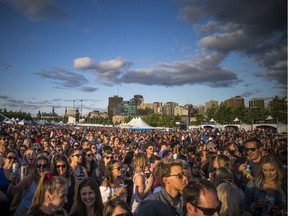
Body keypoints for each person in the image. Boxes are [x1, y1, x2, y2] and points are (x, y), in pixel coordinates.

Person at [0, 149, 19, 216]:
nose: (12, 160)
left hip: (11, 209)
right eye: (10, 157)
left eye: (15, 158)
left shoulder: (17, 174)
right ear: (4, 159)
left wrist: (14, 182)